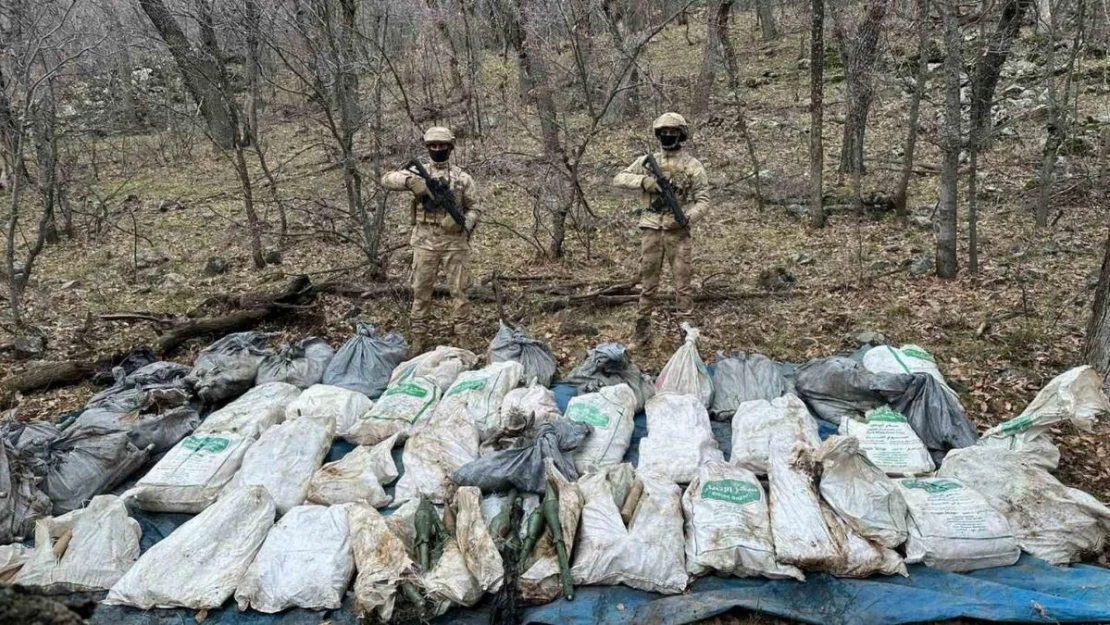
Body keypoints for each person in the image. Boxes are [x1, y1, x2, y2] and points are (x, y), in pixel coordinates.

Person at [612, 112, 710, 350]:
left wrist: (687, 217)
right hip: (651, 229)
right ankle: (642, 329)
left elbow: (703, 200)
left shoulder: (692, 165)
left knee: (682, 284)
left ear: (681, 134)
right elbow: (619, 178)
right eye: (664, 132)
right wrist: (644, 182)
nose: (668, 136)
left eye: (673, 132)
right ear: (658, 134)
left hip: (678, 231)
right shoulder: (647, 160)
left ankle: (686, 334)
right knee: (648, 283)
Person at [381, 126, 481, 354]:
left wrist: (463, 222)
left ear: (450, 147)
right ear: (427, 148)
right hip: (424, 242)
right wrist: (409, 182)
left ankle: (463, 338)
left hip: (454, 243)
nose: (437, 149)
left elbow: (475, 208)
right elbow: (386, 179)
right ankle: (418, 338)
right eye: (433, 146)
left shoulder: (462, 178)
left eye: (442, 146)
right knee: (421, 292)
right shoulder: (418, 173)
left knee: (460, 292)